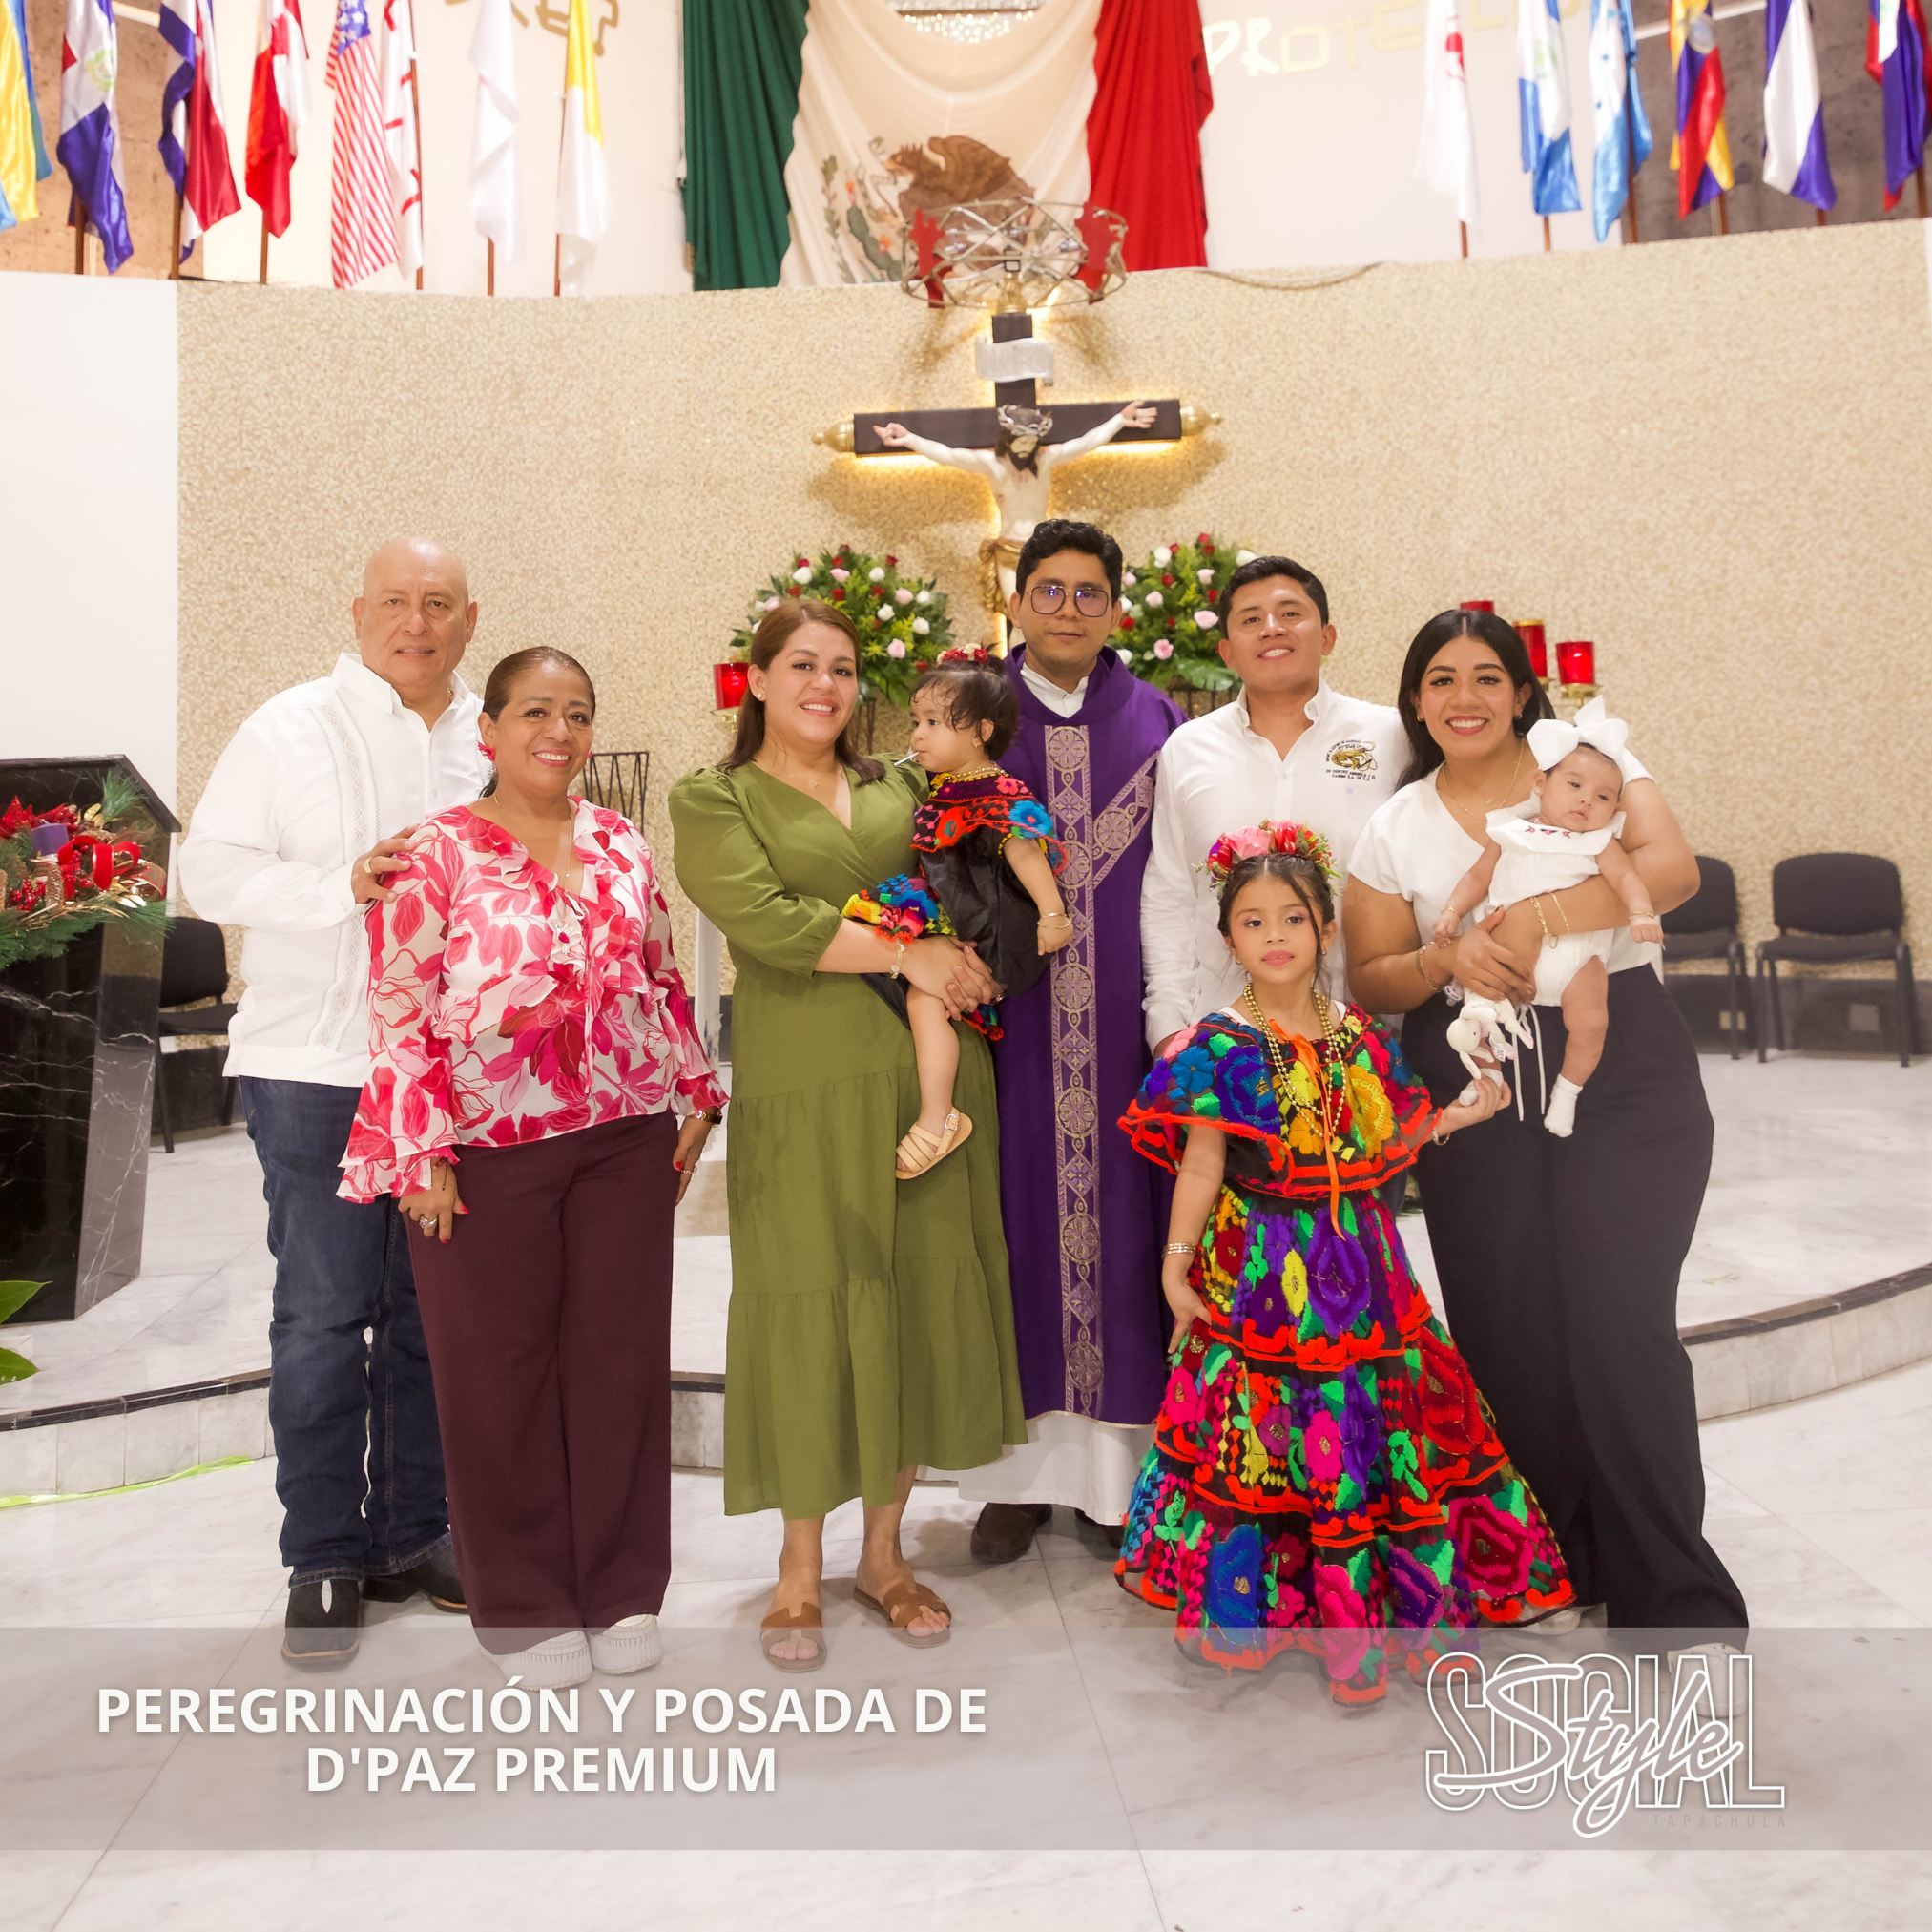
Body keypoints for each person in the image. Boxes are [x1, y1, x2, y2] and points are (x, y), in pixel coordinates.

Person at [1343, 609, 1749, 1651]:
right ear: (1415, 701)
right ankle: (1551, 1563)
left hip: (1621, 1067)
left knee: (1622, 1325)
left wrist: (1535, 918)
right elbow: (1372, 976)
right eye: (1440, 679)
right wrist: (1444, 960)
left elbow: (1673, 872)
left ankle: (1675, 1598)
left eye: (1487, 676)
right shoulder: (1398, 824)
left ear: (1524, 693)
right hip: (1477, 1075)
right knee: (1510, 1332)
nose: (1464, 697)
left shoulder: (1589, 764)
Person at [337, 647, 725, 1690]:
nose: (560, 731)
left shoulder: (619, 841)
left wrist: (697, 1092)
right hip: (484, 1151)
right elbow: (401, 1010)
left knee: (619, 1364)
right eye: (536, 711)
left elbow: (661, 974)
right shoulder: (436, 853)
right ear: (490, 730)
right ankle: (523, 1605)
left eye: (579, 713)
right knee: (496, 1374)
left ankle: (622, 1587)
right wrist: (420, 1151)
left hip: (626, 1138)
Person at [1115, 823, 1569, 1705]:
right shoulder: (1214, 1045)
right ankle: (1281, 1610)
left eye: (1293, 918)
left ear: (1325, 928)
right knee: (1276, 1437)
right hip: (1265, 1276)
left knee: (1373, 1432)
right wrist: (1175, 1268)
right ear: (1227, 937)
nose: (1274, 936)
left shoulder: (1356, 1032)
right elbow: (1201, 1165)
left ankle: (1389, 1610)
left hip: (1365, 1272)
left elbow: (1388, 1134)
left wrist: (1458, 1115)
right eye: (1252, 922)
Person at [669, 601, 1025, 1669]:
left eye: (842, 667)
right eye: (801, 664)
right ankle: (795, 1567)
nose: (824, 684)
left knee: (911, 1300)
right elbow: (768, 919)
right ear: (757, 679)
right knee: (807, 1299)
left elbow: (976, 879)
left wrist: (969, 953)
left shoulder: (905, 786)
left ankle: (883, 1554)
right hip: (804, 1082)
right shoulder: (714, 798)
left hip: (931, 1086)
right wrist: (910, 954)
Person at [178, 537, 483, 1666]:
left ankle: (412, 1533)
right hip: (317, 1069)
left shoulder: (490, 740)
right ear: (358, 613)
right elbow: (207, 870)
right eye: (396, 601)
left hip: (451, 1080)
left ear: (468, 619)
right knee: (320, 1316)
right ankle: (321, 1554)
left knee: (427, 1315)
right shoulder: (288, 727)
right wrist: (341, 884)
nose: (416, 622)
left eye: (439, 603)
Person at [950, 519, 1186, 1562]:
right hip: (1008, 1030)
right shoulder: (970, 715)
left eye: (1090, 593)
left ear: (1116, 610)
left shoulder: (1162, 722)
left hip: (1129, 1032)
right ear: (1015, 602)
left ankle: (1113, 1485)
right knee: (1009, 1233)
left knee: (1126, 1239)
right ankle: (1011, 1481)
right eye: (1048, 590)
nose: (1068, 610)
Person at [1141, 555, 1408, 1055]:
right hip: (1222, 1044)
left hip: (1363, 1039)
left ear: (1327, 637)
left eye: (1290, 613)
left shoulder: (1391, 736)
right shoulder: (1189, 747)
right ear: (1226, 651)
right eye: (1251, 619)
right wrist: (1168, 1026)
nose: (1271, 628)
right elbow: (1170, 894)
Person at [840, 650, 1070, 1177]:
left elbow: (1024, 852)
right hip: (959, 910)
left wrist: (1053, 915)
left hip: (989, 921)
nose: (917, 736)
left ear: (982, 732)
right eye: (916, 721)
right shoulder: (946, 786)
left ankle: (937, 1117)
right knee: (912, 989)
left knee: (925, 1001)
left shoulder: (995, 790)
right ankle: (936, 1113)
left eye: (934, 723)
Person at [1431, 698, 1662, 1136]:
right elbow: (1477, 877)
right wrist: (1451, 911)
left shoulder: (1599, 841)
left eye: (1603, 796)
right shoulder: (1510, 831)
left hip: (1577, 958)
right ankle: (1487, 1079)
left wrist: (1640, 912)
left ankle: (1567, 1093)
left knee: (1592, 1023)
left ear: (1615, 809)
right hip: (1507, 952)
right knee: (1481, 1015)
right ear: (1541, 783)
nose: (1586, 800)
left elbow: (1627, 878)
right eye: (1574, 785)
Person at [876, 404, 1156, 602]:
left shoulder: (1045, 460)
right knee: (1019, 613)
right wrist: (909, 438)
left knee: (1040, 615)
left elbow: (1085, 443)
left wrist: (1119, 420)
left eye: (1032, 442)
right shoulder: (992, 464)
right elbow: (947, 455)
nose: (1026, 448)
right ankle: (1015, 671)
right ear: (1008, 440)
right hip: (1009, 549)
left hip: (1042, 548)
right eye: (1021, 442)